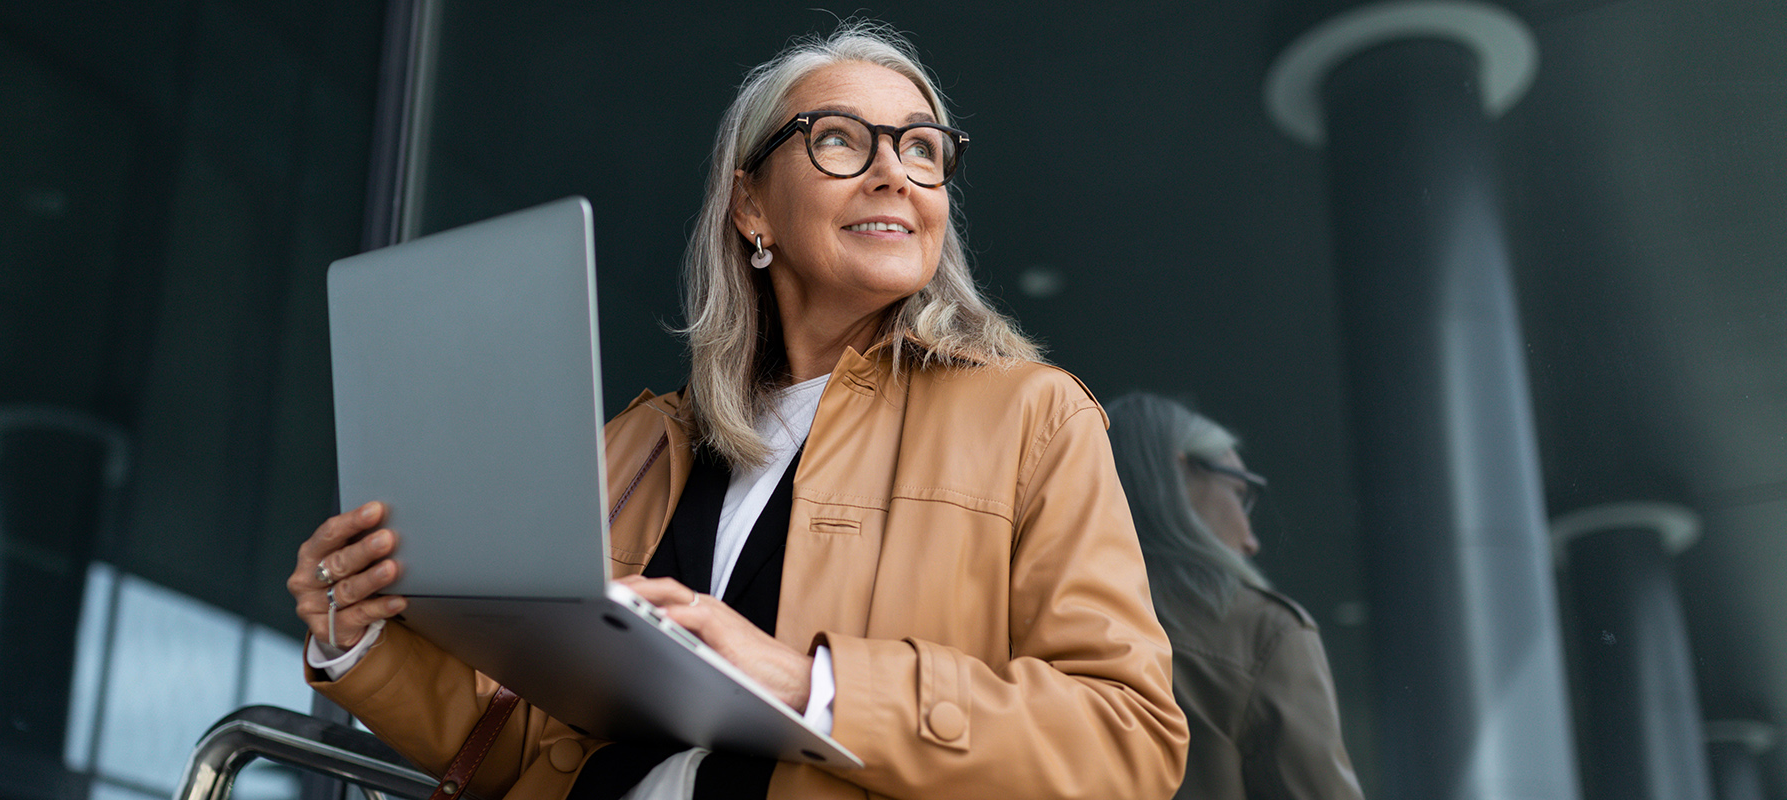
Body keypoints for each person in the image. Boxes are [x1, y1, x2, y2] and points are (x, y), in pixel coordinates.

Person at [286, 22, 1188, 800]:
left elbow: (1129, 741)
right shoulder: (639, 445)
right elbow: (528, 749)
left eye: (921, 147)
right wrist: (358, 644)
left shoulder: (1033, 419)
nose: (893, 173)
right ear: (750, 204)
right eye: (841, 139)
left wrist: (811, 685)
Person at [1103, 392, 1363, 800]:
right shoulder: (1263, 633)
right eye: (1240, 492)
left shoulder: (1027, 623)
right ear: (1180, 473)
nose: (1251, 539)